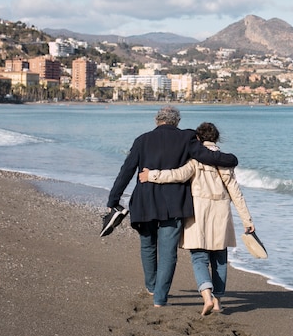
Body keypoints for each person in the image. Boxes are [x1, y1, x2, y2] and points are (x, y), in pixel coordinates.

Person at [106, 106, 238, 307]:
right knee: (168, 253)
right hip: (173, 204)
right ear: (177, 121)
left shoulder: (142, 140)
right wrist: (232, 159)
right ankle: (160, 298)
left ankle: (151, 287)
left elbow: (126, 171)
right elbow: (210, 157)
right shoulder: (187, 139)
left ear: (157, 120)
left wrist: (113, 201)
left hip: (144, 201)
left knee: (147, 245)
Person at [138, 122, 254, 315]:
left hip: (198, 215)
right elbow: (236, 193)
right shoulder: (226, 163)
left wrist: (152, 175)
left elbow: (176, 175)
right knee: (220, 258)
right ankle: (217, 301)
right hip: (220, 214)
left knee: (199, 257)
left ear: (198, 139)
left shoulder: (195, 161)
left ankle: (206, 296)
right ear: (216, 139)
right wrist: (247, 220)